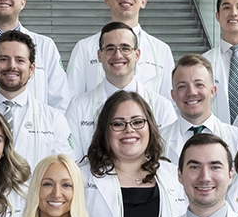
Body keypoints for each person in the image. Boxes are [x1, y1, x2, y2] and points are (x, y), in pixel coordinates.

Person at [65, 22, 177, 153]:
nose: (118, 55)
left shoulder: (162, 107)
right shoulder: (78, 108)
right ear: (99, 56)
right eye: (110, 49)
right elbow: (71, 161)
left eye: (125, 48)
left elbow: (169, 159)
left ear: (137, 55)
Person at [0, 30, 73, 164]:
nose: (12, 66)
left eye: (20, 60)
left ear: (32, 69)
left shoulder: (54, 121)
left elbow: (65, 173)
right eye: (4, 59)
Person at [66, 0, 174, 99]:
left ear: (143, 1)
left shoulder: (161, 51)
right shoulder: (84, 48)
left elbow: (171, 103)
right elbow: (71, 98)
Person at [160, 54, 238, 163]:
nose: (191, 92)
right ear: (173, 95)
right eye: (182, 86)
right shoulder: (157, 141)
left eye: (199, 84)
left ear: (212, 91)